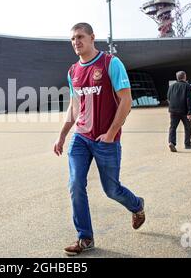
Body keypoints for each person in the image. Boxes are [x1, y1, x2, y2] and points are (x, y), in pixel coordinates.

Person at [53, 23, 145, 256]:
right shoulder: (73, 71)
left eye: (80, 37)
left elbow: (126, 101)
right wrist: (62, 135)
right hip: (81, 138)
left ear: (93, 38)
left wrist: (112, 133)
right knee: (75, 185)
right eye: (73, 39)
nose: (76, 42)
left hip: (106, 140)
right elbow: (75, 107)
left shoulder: (110, 63)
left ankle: (137, 205)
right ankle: (85, 238)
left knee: (111, 190)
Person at [167, 71, 191, 152]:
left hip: (173, 110)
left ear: (177, 77)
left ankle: (172, 142)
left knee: (173, 127)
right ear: (184, 76)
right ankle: (187, 144)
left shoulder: (171, 86)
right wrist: (190, 112)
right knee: (187, 127)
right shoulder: (187, 86)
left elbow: (168, 97)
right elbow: (189, 99)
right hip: (184, 111)